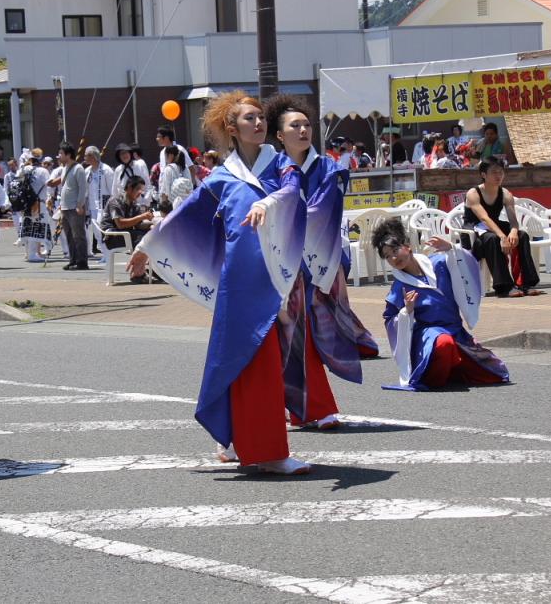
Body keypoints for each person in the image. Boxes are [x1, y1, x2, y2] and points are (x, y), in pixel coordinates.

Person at [128, 91, 312, 475]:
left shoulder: (280, 165)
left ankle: (263, 447)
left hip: (273, 277)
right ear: (231, 128)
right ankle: (257, 447)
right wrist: (149, 245)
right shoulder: (222, 178)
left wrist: (269, 203)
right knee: (240, 361)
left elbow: (293, 192)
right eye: (249, 119)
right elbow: (186, 215)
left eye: (261, 117)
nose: (259, 123)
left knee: (265, 362)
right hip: (237, 282)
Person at [264, 93, 379, 428]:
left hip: (319, 263)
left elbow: (321, 212)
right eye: (294, 126)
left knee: (314, 333)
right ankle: (304, 407)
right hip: (281, 264)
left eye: (306, 124)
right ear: (279, 135)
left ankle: (312, 407)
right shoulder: (271, 168)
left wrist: (285, 218)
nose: (303, 130)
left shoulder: (327, 168)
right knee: (287, 339)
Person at [372, 218, 510, 391]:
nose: (393, 257)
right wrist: (406, 311)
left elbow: (467, 268)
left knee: (495, 374)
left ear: (407, 246)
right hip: (430, 335)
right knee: (444, 344)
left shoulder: (439, 262)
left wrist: (452, 249)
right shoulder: (399, 286)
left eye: (395, 250)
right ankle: (433, 376)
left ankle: (452, 368)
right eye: (387, 256)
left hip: (456, 330)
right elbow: (390, 319)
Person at [463, 157, 541, 298]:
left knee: (522, 236)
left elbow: (513, 221)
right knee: (492, 239)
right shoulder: (473, 193)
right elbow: (484, 218)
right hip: (474, 234)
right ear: (483, 175)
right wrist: (502, 237)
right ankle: (504, 287)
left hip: (494, 228)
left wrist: (513, 232)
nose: (498, 176)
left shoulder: (505, 194)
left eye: (500, 172)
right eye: (494, 172)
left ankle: (525, 283)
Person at [100, 176, 155, 282]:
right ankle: (138, 274)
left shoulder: (134, 204)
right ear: (130, 188)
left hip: (125, 234)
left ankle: (145, 270)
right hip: (112, 237)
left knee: (150, 235)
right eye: (138, 189)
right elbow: (120, 224)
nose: (140, 193)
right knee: (141, 238)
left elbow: (139, 224)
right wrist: (142, 216)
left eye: (142, 190)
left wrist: (152, 225)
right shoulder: (115, 200)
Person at [58, 143, 89, 270]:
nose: (59, 156)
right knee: (69, 235)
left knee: (78, 235)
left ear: (68, 155)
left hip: (75, 207)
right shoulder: (64, 168)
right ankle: (73, 259)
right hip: (65, 207)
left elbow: (83, 189)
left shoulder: (78, 169)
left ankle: (82, 261)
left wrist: (80, 205)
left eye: (61, 153)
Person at [84, 146, 114, 262]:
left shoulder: (106, 170)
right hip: (92, 205)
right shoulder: (87, 172)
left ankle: (108, 254)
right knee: (96, 231)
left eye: (87, 155)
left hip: (104, 205)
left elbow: (112, 189)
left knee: (104, 230)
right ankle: (104, 254)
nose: (85, 158)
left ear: (93, 156)